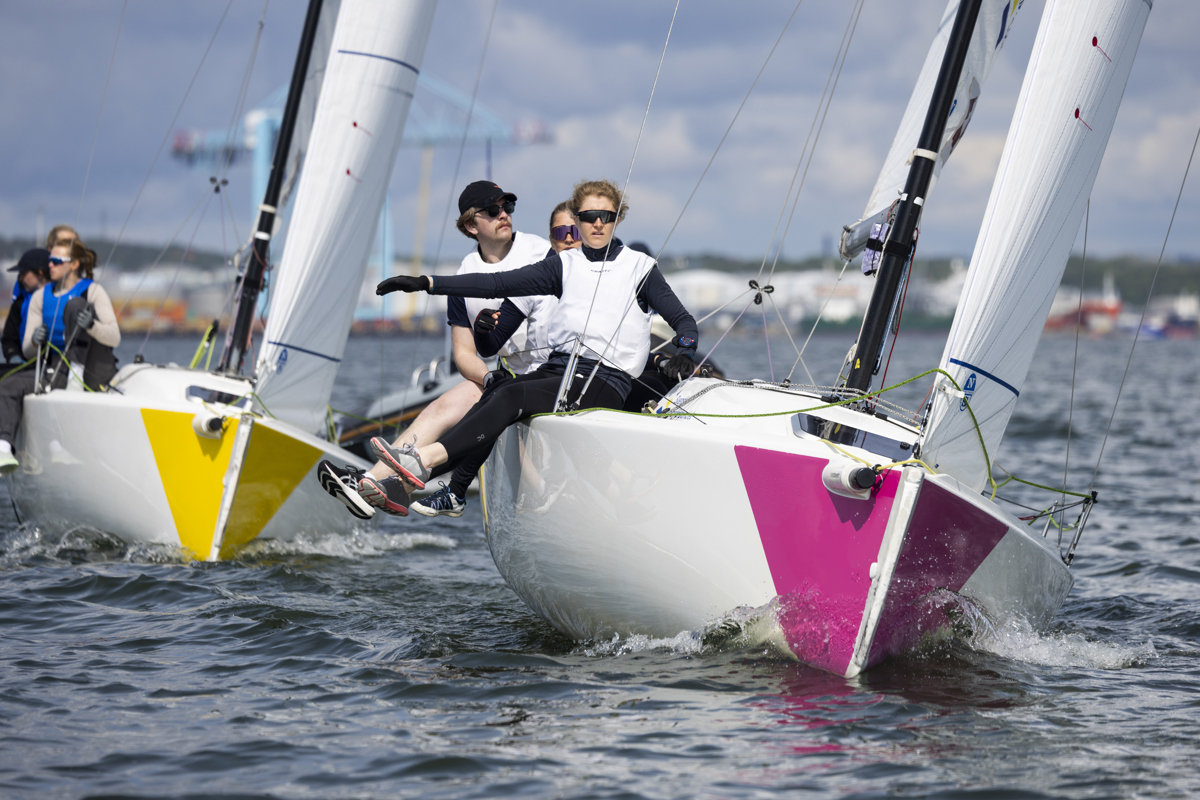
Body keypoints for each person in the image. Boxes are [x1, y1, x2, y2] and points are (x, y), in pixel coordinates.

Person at [372, 178, 699, 517]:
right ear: (578, 218)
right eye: (589, 216)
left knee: (512, 397)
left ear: (619, 218)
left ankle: (424, 460)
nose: (598, 223)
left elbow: (684, 322)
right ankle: (444, 490)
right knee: (498, 390)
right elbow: (496, 283)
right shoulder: (563, 265)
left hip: (605, 380)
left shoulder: (639, 268)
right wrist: (426, 283)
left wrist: (686, 352)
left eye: (607, 215)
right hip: (559, 370)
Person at [318, 181, 556, 519]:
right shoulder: (464, 275)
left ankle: (392, 485)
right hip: (509, 377)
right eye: (493, 210)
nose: (504, 214)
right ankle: (369, 483)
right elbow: (464, 354)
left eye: (508, 207)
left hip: (552, 374)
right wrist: (488, 378)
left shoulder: (541, 253)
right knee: (443, 405)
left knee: (491, 401)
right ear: (471, 225)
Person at [0, 239, 120, 473]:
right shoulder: (39, 297)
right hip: (55, 368)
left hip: (90, 368)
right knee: (7, 385)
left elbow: (114, 337)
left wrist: (92, 326)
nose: (50, 266)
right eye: (49, 261)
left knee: (76, 305)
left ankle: (75, 382)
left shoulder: (92, 291)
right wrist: (35, 340)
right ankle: (4, 449)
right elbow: (28, 351)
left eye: (56, 261)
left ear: (74, 264)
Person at [2, 249, 51, 365]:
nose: (20, 279)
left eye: (23, 273)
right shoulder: (20, 302)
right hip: (26, 366)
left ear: (40, 273)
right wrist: (14, 357)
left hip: (54, 365)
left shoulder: (61, 298)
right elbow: (9, 339)